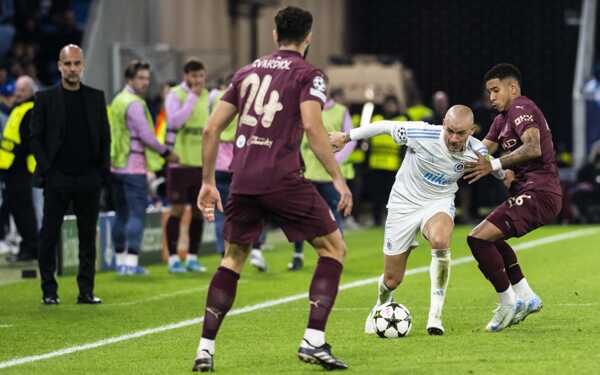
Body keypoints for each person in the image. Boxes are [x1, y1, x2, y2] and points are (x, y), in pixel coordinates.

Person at [192, 6, 352, 372]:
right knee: (333, 249)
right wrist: (338, 178)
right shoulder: (308, 74)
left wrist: (206, 182)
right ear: (308, 37)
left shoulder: (246, 71)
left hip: (243, 180)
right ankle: (313, 341)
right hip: (282, 179)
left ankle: (205, 350)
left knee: (232, 259)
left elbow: (210, 129)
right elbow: (313, 127)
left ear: (274, 35)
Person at [330, 105, 507, 336]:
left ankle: (435, 317)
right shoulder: (421, 133)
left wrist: (506, 175)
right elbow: (384, 126)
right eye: (450, 130)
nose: (453, 138)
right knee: (392, 280)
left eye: (460, 133)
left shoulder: (476, 151)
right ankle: (381, 302)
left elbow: (492, 165)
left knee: (441, 240)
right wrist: (346, 136)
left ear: (472, 131)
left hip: (438, 203)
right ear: (443, 124)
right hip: (403, 204)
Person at [463, 63, 562, 332]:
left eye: (495, 90)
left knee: (477, 238)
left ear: (513, 88)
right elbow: (478, 154)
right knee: (489, 238)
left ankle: (509, 302)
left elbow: (533, 147)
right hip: (528, 192)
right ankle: (527, 297)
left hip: (540, 192)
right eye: (489, 92)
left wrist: (495, 166)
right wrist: (451, 144)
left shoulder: (522, 108)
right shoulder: (500, 121)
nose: (491, 97)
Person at [30, 44, 110, 305]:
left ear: (83, 65)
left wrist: (101, 173)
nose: (72, 68)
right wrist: (48, 170)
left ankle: (85, 291)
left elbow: (105, 137)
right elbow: (36, 138)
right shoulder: (44, 98)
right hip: (57, 177)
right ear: (59, 66)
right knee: (48, 235)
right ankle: (49, 291)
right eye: (68, 64)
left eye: (76, 63)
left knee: (88, 237)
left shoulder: (96, 97)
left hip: (89, 177)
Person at [110, 60, 177, 275]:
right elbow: (147, 136)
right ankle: (131, 264)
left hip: (116, 165)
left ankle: (120, 261)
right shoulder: (135, 104)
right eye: (141, 78)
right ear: (130, 79)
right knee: (137, 214)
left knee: (121, 214)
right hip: (134, 166)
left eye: (147, 78)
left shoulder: (117, 100)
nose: (145, 82)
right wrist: (166, 152)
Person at [288, 92, 356, 271]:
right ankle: (297, 255)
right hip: (307, 173)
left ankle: (337, 254)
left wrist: (335, 160)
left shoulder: (341, 111)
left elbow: (350, 139)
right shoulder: (305, 109)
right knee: (300, 216)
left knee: (335, 214)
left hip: (327, 176)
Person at [163, 58, 209, 273]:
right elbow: (174, 122)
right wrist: (191, 97)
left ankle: (192, 257)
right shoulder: (176, 95)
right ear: (186, 76)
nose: (198, 80)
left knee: (199, 211)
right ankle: (173, 258)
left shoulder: (209, 96)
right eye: (194, 76)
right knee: (177, 209)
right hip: (180, 163)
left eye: (201, 76)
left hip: (201, 163)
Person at [0, 75, 38, 262]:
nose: (17, 93)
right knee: (17, 209)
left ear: (30, 92)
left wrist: (16, 153)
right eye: (17, 89)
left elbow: (29, 141)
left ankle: (31, 248)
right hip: (10, 167)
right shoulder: (19, 108)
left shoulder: (30, 110)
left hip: (21, 168)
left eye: (22, 90)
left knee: (24, 210)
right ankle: (27, 246)